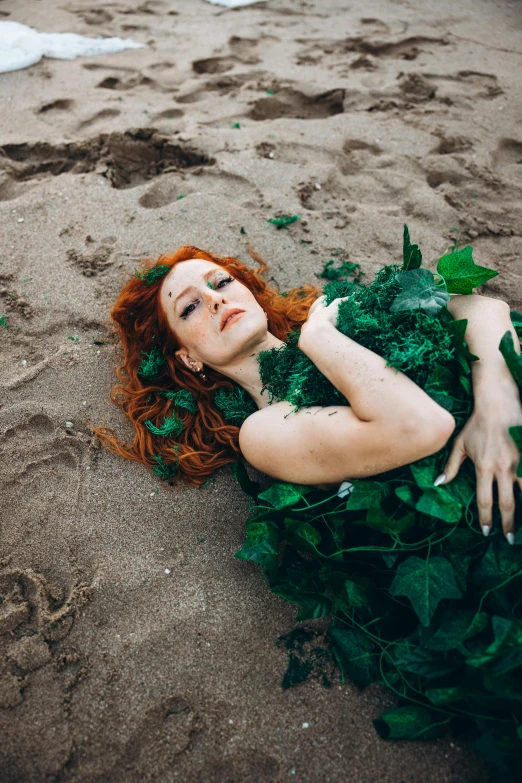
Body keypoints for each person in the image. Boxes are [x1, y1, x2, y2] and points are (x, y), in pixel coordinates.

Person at [93, 241, 522, 542]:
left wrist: (498, 405)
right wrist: (318, 340)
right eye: (190, 307)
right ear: (188, 358)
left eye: (220, 283)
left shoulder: (339, 313)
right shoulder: (264, 431)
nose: (215, 300)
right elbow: (420, 424)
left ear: (248, 291)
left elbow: (479, 307)